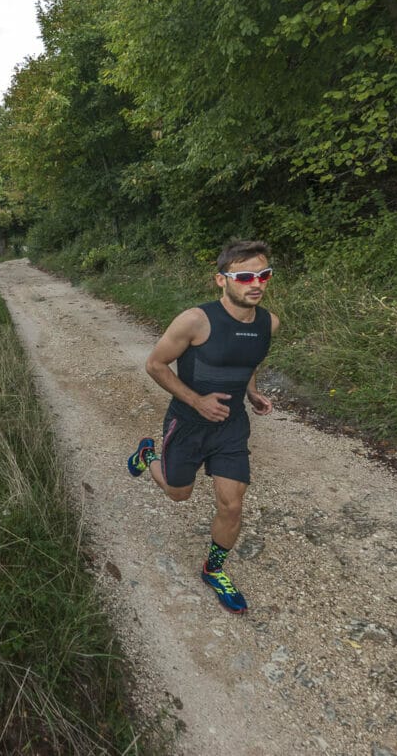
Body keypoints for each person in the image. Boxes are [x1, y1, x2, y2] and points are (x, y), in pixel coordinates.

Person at [126, 240, 279, 613]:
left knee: (232, 505)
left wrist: (253, 392)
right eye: (244, 276)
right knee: (180, 494)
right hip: (189, 421)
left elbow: (249, 361)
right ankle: (149, 455)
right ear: (221, 280)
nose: (255, 283)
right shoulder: (195, 320)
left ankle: (213, 570)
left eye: (263, 275)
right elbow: (155, 365)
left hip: (232, 426)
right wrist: (197, 401)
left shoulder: (269, 323)